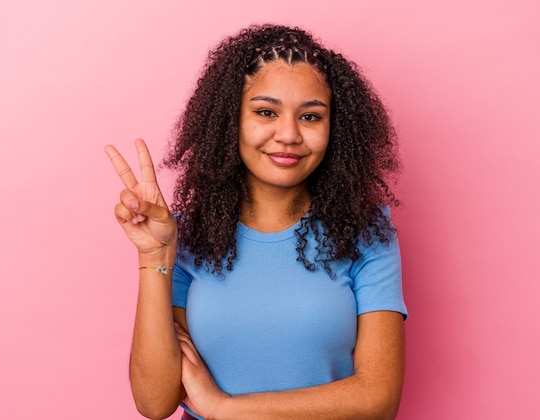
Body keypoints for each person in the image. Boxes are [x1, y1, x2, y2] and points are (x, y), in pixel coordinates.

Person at [105, 24, 407, 420]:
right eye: (266, 112)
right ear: (231, 120)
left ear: (335, 129)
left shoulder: (366, 234)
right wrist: (155, 255)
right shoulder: (186, 237)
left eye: (311, 117)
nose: (288, 134)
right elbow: (155, 401)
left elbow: (378, 399)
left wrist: (224, 409)